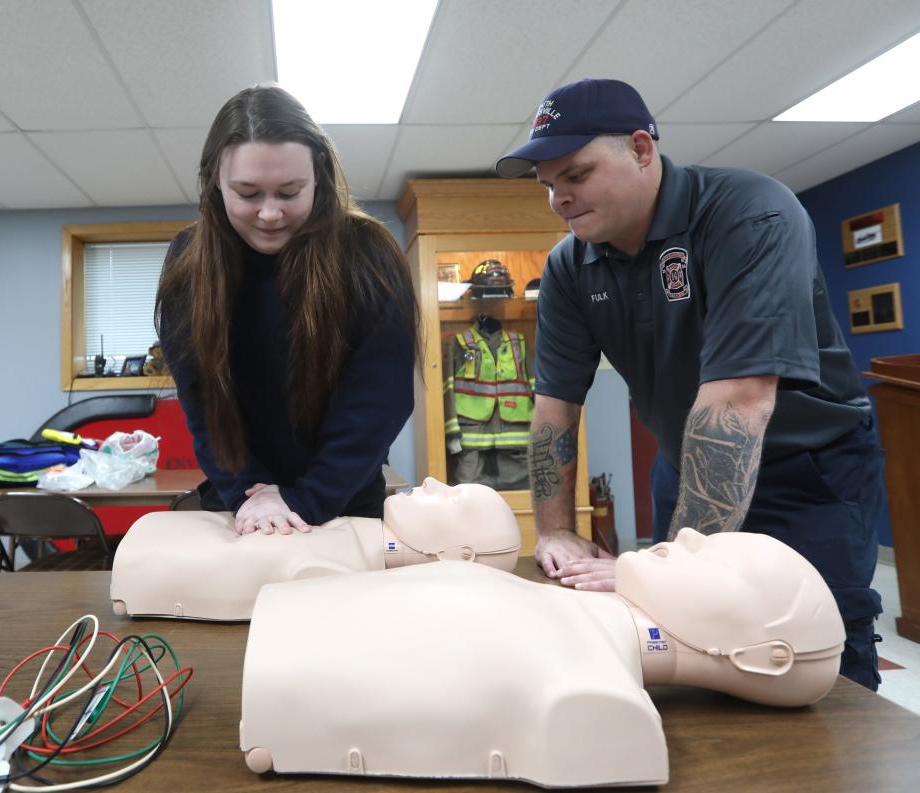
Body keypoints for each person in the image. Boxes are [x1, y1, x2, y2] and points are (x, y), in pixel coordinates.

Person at [492, 78, 883, 689]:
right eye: (549, 186)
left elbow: (739, 401)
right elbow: (553, 412)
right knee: (683, 634)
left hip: (810, 467)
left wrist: (665, 572)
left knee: (815, 636)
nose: (559, 200)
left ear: (642, 150)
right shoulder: (569, 266)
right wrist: (554, 530)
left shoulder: (749, 212)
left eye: (576, 175)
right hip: (687, 461)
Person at [240, 529, 846, 786]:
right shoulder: (572, 625)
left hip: (279, 685)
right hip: (286, 631)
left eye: (719, 558)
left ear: (768, 657)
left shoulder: (596, 693)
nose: (686, 536)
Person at [155, 85, 420, 536]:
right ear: (215, 184)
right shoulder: (189, 264)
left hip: (343, 502)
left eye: (289, 191)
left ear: (319, 177)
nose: (270, 213)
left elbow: (379, 401)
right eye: (248, 193)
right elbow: (204, 407)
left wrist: (306, 499)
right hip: (240, 504)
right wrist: (250, 500)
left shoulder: (367, 254)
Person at [110, 478, 521, 620]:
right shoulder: (361, 546)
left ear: (459, 555)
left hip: (171, 563)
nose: (432, 482)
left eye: (451, 499)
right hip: (168, 552)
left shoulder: (354, 573)